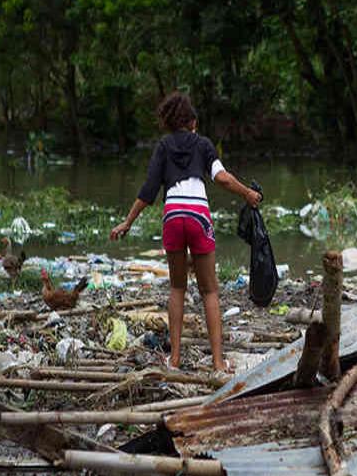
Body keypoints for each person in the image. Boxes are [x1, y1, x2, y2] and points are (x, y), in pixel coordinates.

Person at [110, 91, 260, 371]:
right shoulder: (203, 144)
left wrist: (127, 222)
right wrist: (248, 193)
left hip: (173, 216)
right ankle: (218, 362)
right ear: (192, 121)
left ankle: (175, 359)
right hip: (197, 216)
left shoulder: (164, 146)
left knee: (177, 287)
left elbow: (149, 191)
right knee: (210, 291)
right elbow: (221, 178)